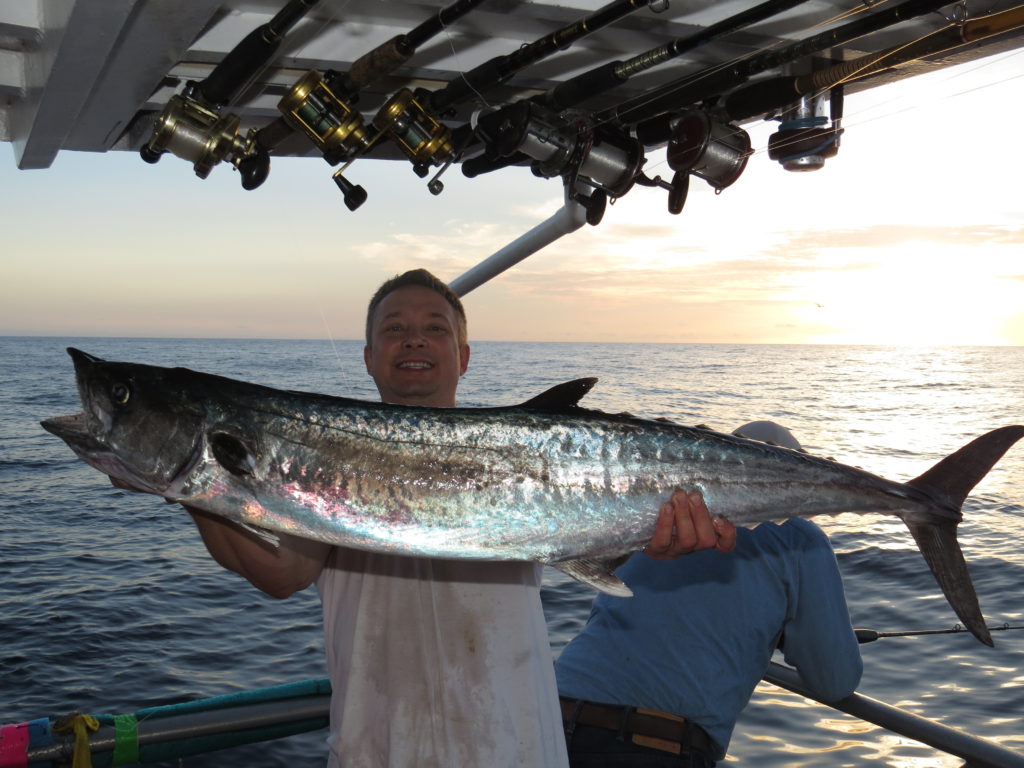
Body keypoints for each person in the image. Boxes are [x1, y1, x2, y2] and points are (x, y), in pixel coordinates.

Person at [180, 268, 736, 767]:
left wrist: (646, 535)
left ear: (464, 357)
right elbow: (283, 575)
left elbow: (591, 521)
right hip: (377, 750)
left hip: (517, 746)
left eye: (436, 328)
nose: (415, 338)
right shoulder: (321, 457)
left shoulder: (518, 446)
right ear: (369, 356)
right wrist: (193, 478)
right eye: (393, 329)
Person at [555, 421, 863, 767]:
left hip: (546, 712)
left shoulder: (653, 511)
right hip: (655, 745)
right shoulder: (798, 536)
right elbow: (835, 681)